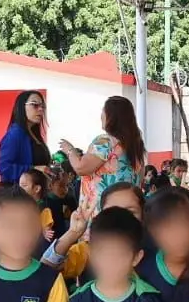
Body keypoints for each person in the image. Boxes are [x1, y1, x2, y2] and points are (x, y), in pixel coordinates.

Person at [60, 95, 146, 232]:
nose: (101, 116)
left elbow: (81, 167)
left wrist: (70, 150)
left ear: (112, 116)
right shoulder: (136, 147)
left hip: (101, 213)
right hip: (128, 214)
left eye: (103, 111)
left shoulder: (106, 141)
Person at [0, 91, 52, 185]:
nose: (40, 109)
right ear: (22, 107)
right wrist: (33, 169)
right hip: (20, 195)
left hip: (37, 195)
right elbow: (3, 167)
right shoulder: (15, 134)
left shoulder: (34, 134)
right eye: (35, 105)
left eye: (43, 106)